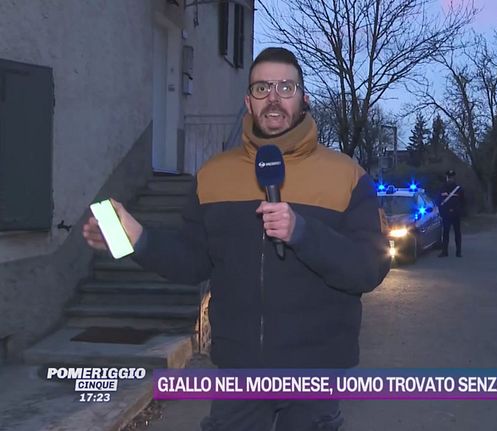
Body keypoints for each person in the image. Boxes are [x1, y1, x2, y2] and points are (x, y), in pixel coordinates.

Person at [83, 47, 390, 431]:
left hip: (316, 370)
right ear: (248, 101)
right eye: (262, 88)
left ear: (304, 98)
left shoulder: (347, 175)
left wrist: (303, 232)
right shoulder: (214, 174)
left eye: (286, 87)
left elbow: (368, 267)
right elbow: (194, 261)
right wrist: (139, 239)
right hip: (239, 371)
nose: (274, 98)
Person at [437, 169, 464, 257]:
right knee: (445, 233)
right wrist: (441, 212)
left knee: (457, 233)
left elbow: (463, 201)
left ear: (454, 178)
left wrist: (460, 211)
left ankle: (458, 251)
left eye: (451, 177)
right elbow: (438, 200)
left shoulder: (459, 189)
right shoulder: (442, 188)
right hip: (446, 214)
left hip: (456, 214)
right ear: (447, 178)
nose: (450, 179)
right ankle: (444, 251)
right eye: (449, 177)